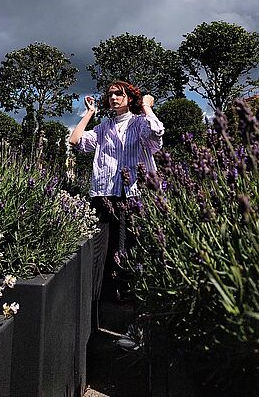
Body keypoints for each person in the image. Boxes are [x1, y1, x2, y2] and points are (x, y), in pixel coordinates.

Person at [69, 81, 164, 337]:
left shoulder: (139, 122)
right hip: (104, 197)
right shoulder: (103, 127)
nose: (113, 98)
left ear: (129, 97)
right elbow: (76, 140)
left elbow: (156, 134)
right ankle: (99, 324)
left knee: (134, 254)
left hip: (133, 195)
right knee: (103, 255)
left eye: (118, 94)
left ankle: (133, 325)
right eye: (110, 94)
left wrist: (146, 106)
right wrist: (89, 112)